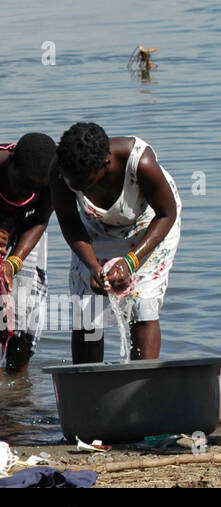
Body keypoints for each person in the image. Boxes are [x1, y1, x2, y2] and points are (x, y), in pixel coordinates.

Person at [51, 124, 182, 362]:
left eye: (84, 182)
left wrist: (130, 262)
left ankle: (140, 383)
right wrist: (92, 265)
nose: (76, 187)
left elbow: (167, 214)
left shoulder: (140, 163)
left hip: (149, 223)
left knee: (143, 304)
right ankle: (86, 384)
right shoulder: (63, 169)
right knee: (88, 308)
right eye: (72, 182)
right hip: (94, 226)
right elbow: (69, 222)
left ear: (105, 165)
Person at [0, 134, 58, 372]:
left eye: (36, 186)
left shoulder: (53, 177)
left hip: (27, 235)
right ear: (12, 162)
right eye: (23, 183)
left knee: (24, 314)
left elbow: (40, 219)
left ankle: (18, 394)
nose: (28, 191)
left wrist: (14, 262)